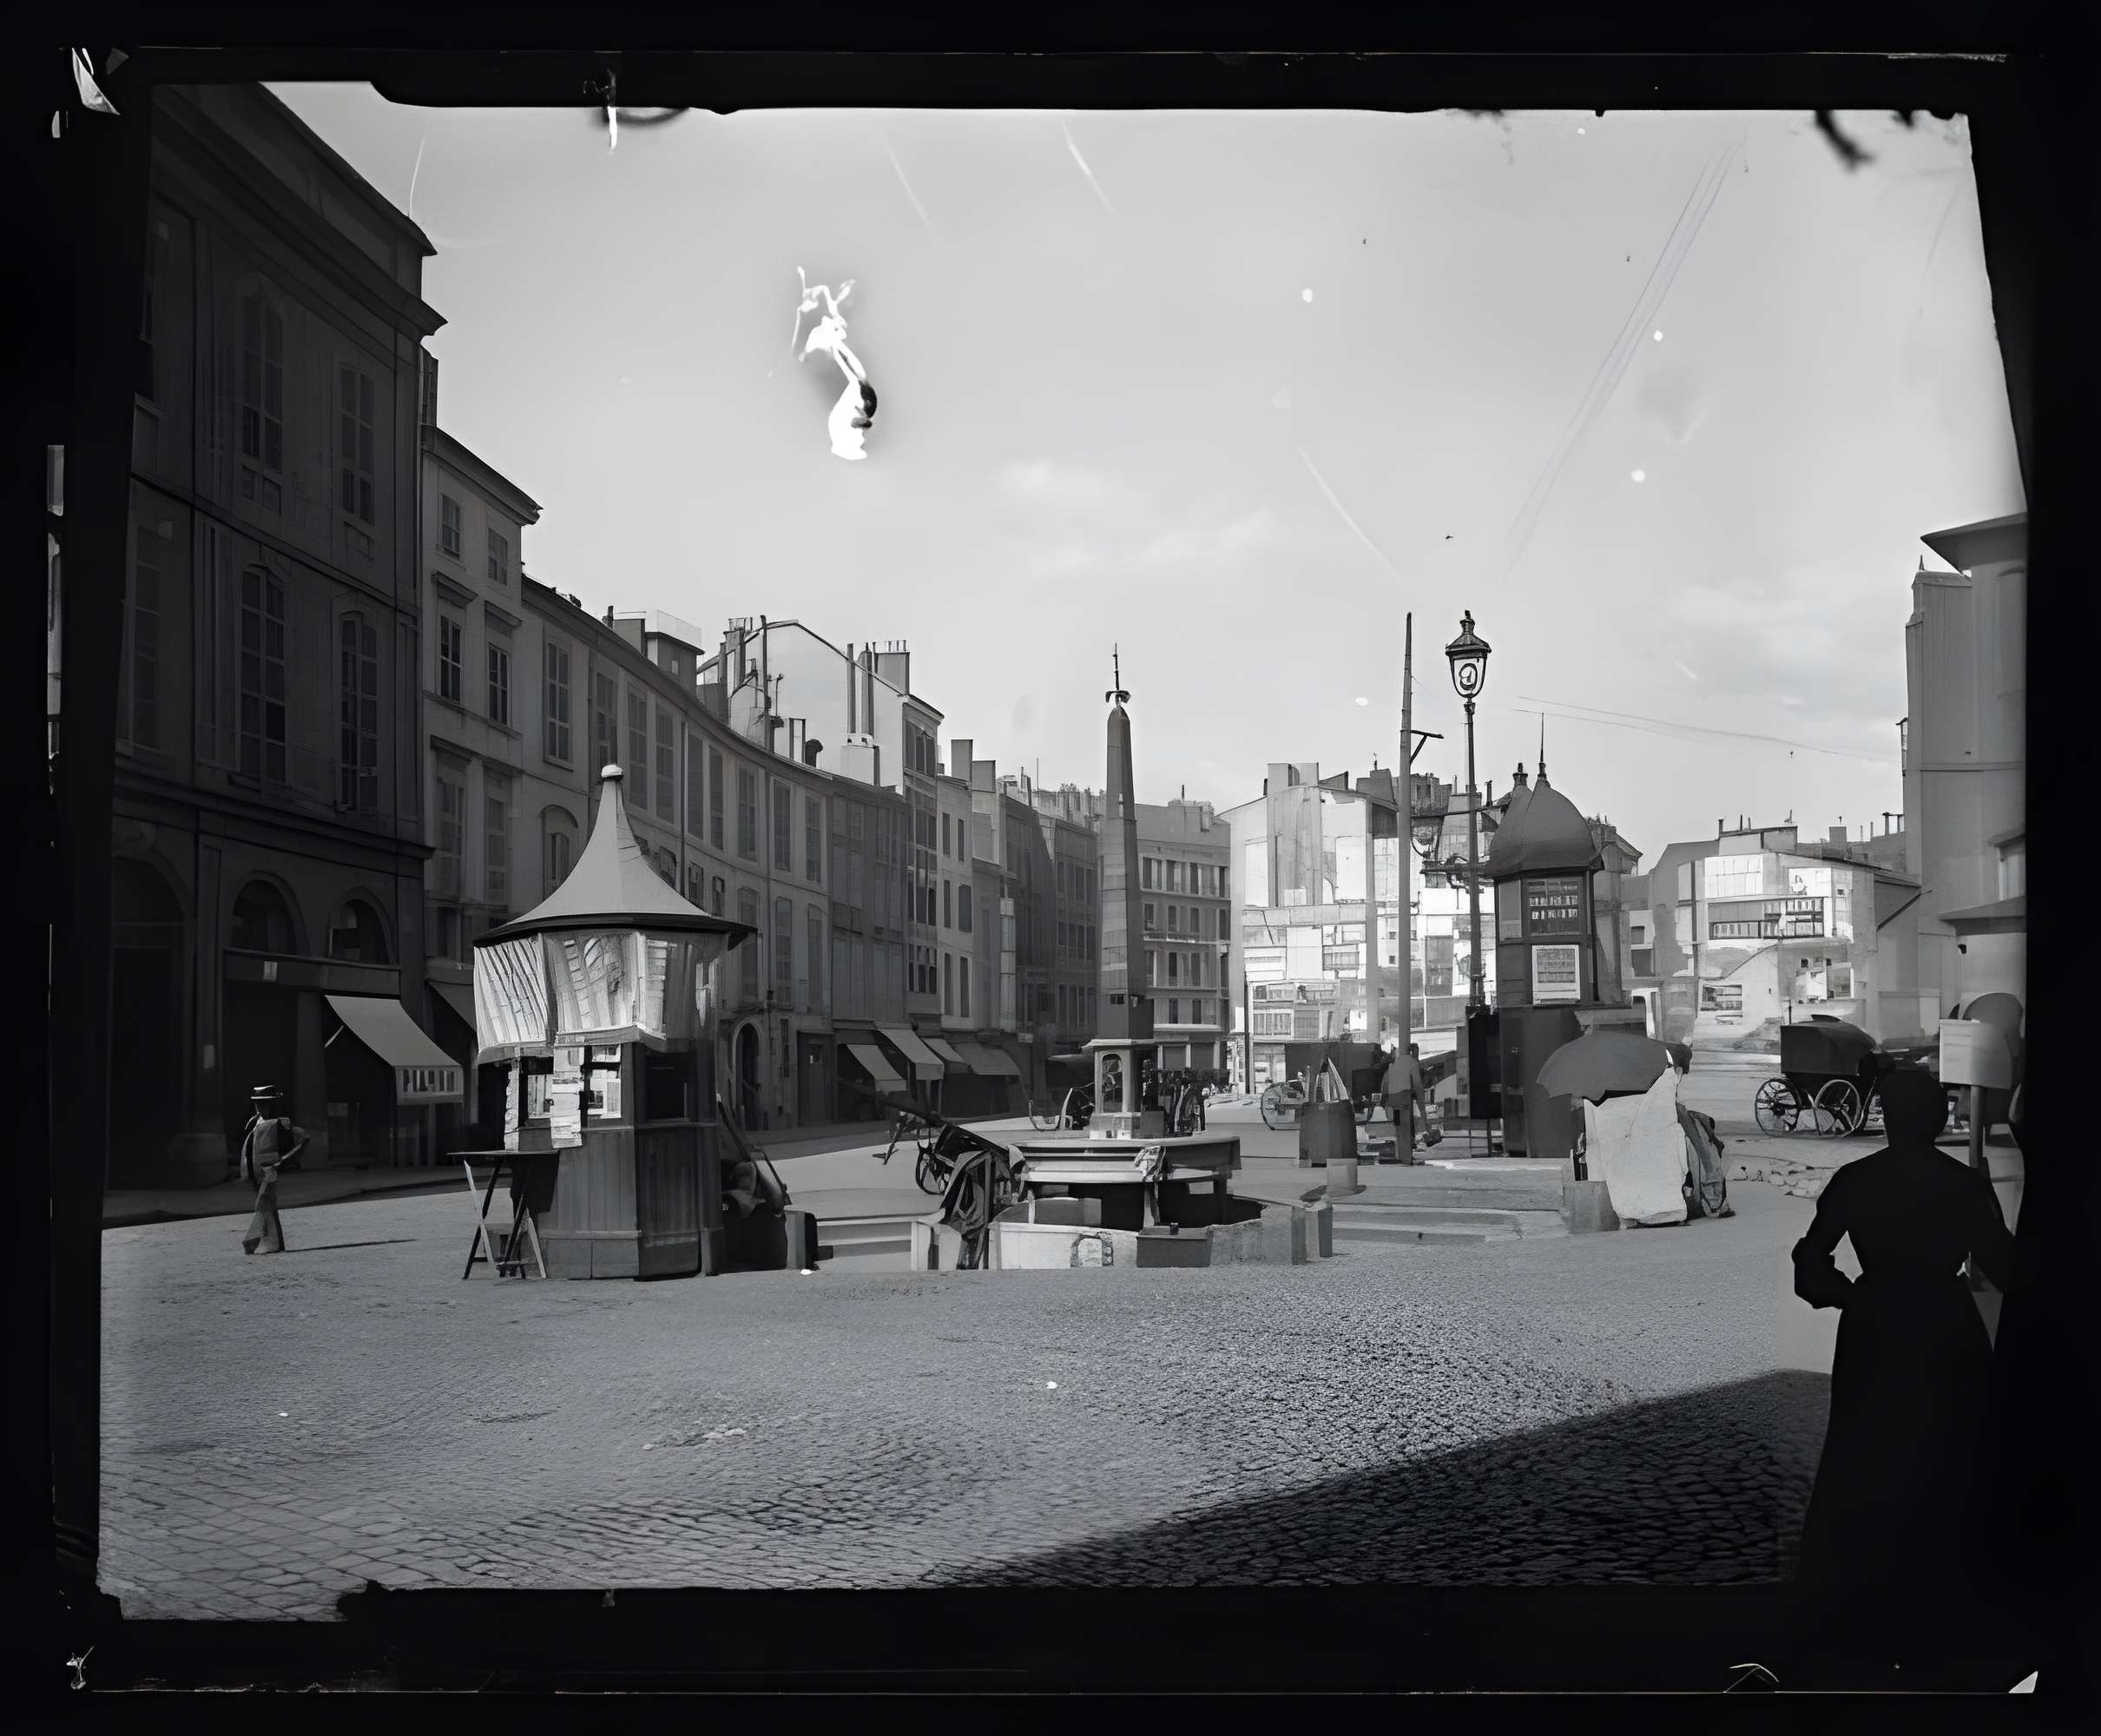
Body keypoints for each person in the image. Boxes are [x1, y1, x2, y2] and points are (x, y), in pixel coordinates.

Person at [1789, 1065, 2017, 1610]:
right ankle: (1947, 1577)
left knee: (1865, 1446)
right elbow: (2006, 1267)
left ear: (1886, 1117)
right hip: (1945, 1321)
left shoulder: (1855, 1179)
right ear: (1938, 1119)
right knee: (1950, 1445)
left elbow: (1810, 1264)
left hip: (1874, 1325)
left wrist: (1851, 1297)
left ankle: (1856, 1581)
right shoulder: (1964, 1184)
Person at [238, 1086, 308, 1256]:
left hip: (270, 1169)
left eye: (265, 1104)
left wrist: (286, 1160)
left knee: (263, 1202)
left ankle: (251, 1240)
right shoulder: (254, 1122)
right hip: (256, 1171)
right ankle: (275, 1242)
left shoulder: (280, 1123)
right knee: (268, 1204)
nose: (262, 1108)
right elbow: (249, 1146)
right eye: (259, 1104)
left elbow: (299, 1139)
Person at [1381, 1042, 1431, 1150]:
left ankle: (1402, 1148)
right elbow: (1418, 1087)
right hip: (1404, 1099)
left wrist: (1384, 1101)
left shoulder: (1393, 1067)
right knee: (1407, 1123)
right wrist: (1424, 1116)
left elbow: (1385, 1085)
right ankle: (1406, 1150)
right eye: (1416, 1054)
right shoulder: (1411, 1064)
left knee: (1400, 1125)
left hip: (1395, 1099)